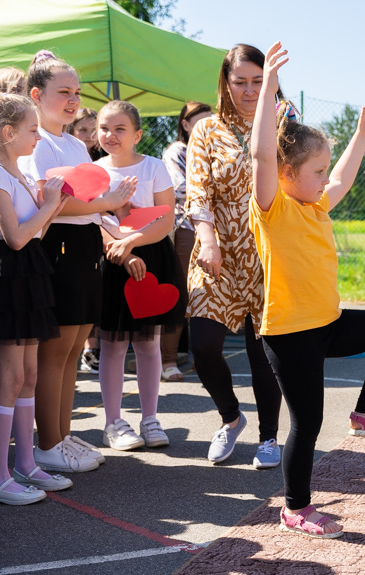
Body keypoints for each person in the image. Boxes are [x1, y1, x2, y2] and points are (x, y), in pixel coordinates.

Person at [250, 42, 365, 538]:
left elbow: (342, 175)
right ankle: (295, 508)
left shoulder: (316, 205)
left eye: (324, 171)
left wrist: (363, 133)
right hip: (290, 333)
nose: (325, 180)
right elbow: (262, 151)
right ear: (286, 175)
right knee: (307, 422)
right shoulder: (273, 208)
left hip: (328, 323)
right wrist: (269, 93)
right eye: (315, 172)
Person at [19, 50, 134, 474]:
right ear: (36, 94)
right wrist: (108, 202)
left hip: (85, 244)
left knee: (75, 345)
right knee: (57, 350)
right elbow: (51, 203)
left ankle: (62, 435)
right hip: (58, 247)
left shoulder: (73, 142)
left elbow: (86, 200)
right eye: (62, 92)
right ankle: (47, 443)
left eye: (77, 92)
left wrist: (112, 216)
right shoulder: (38, 143)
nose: (72, 100)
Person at [184, 44, 283, 469]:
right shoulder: (206, 130)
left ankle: (269, 437)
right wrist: (206, 239)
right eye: (239, 81)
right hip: (216, 253)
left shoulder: (285, 124)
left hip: (268, 255)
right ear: (225, 82)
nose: (248, 90)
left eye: (258, 81)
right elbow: (198, 191)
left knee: (263, 351)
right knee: (203, 345)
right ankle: (230, 417)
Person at [0, 92, 72, 504]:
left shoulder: (16, 173)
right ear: (7, 132)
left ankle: (25, 465)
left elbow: (35, 232)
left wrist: (52, 207)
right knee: (11, 378)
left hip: (29, 274)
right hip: (8, 277)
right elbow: (16, 237)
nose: (38, 136)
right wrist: (49, 206)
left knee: (30, 376)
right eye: (32, 129)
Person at [94, 100, 186, 451]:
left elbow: (165, 220)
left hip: (152, 257)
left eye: (119, 129)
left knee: (148, 344)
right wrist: (121, 250)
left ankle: (150, 419)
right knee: (113, 345)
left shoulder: (154, 167)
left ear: (137, 134)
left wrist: (132, 242)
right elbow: (93, 220)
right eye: (104, 128)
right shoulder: (94, 170)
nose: (110, 135)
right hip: (112, 260)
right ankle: (113, 423)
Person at [160, 101, 211, 382]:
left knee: (206, 296)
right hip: (186, 230)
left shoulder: (216, 151)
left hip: (215, 231)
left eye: (210, 122)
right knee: (180, 295)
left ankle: (200, 357)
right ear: (186, 125)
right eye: (200, 122)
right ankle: (168, 360)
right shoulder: (178, 151)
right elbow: (180, 188)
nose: (206, 128)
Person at [0, 66, 26, 394]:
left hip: (20, 261)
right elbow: (13, 236)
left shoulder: (12, 166)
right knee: (9, 376)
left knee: (20, 377)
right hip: (1, 257)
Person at [68, 107, 104, 376]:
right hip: (72, 239)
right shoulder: (68, 155)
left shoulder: (102, 159)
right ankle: (84, 351)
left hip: (99, 235)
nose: (89, 136)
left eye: (93, 130)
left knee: (94, 302)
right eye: (83, 130)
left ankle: (92, 350)